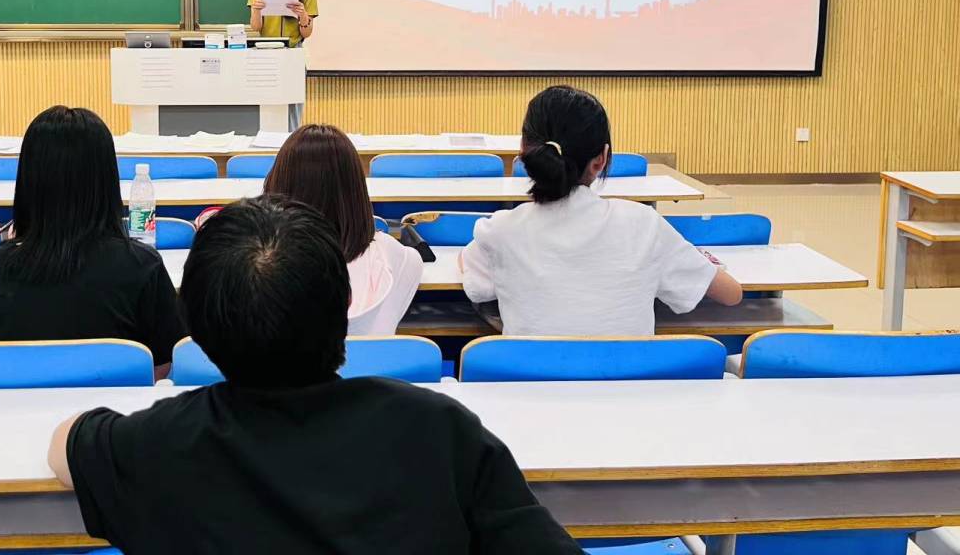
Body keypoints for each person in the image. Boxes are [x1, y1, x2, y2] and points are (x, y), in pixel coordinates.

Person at [48, 197, 584, 555]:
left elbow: (65, 444)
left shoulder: (156, 442)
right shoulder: (439, 430)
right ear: (344, 304)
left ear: (197, 324)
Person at [461, 86, 743, 337]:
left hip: (529, 378)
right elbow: (731, 294)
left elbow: (476, 284)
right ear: (602, 159)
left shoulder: (501, 229)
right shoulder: (643, 223)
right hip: (631, 378)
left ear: (523, 152)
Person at [0, 106, 184, 377]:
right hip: (116, 404)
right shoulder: (142, 266)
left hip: (19, 403)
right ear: (107, 179)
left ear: (28, 179)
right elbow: (164, 364)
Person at [263, 124, 422, 334]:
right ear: (356, 190)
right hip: (367, 357)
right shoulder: (402, 260)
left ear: (276, 187)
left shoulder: (245, 266)